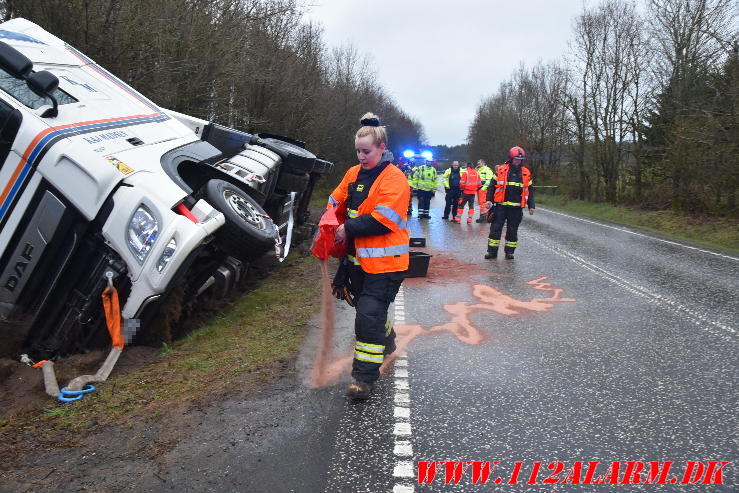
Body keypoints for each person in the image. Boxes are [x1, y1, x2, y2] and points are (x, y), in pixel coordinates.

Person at [328, 112, 410, 400]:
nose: (362, 157)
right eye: (358, 152)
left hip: (387, 265)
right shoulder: (353, 174)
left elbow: (381, 220)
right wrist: (328, 222)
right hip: (358, 263)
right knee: (369, 313)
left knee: (367, 317)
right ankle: (386, 337)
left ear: (382, 148)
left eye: (367, 151)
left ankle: (363, 379)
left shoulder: (394, 178)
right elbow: (335, 200)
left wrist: (346, 228)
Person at [484, 146, 535, 260]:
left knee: (512, 231)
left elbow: (530, 191)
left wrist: (532, 206)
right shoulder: (501, 170)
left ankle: (509, 252)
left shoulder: (526, 172)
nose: (518, 161)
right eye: (516, 159)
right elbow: (492, 187)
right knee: (495, 230)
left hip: (516, 209)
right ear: (511, 158)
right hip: (501, 207)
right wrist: (488, 200)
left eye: (520, 159)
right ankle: (492, 252)